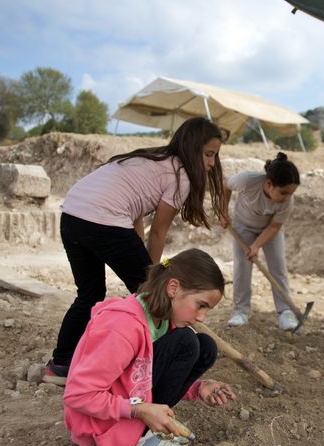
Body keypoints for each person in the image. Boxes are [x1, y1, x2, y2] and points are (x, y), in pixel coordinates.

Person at [44, 117, 228, 386]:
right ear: (191, 148)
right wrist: (155, 278)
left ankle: (61, 364)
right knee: (153, 297)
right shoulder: (180, 175)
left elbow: (135, 210)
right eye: (209, 155)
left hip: (72, 216)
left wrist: (141, 260)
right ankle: (150, 363)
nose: (211, 164)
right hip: (103, 220)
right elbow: (158, 232)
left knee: (89, 293)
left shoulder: (150, 159)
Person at [63, 248, 237, 446]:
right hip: (100, 424)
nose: (201, 317)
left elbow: (141, 376)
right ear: (173, 287)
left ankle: (145, 427)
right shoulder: (122, 327)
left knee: (205, 346)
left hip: (130, 403)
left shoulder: (162, 320)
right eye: (200, 305)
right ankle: (137, 436)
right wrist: (139, 410)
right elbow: (78, 395)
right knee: (187, 342)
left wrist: (197, 388)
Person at [222, 152, 301, 330]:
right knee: (242, 266)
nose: (287, 197)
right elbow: (225, 185)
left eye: (291, 193)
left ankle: (285, 312)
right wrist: (223, 211)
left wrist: (257, 245)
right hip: (243, 227)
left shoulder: (287, 202)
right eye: (283, 192)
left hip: (269, 230)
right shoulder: (247, 180)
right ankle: (240, 311)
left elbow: (274, 227)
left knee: (278, 267)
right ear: (268, 184)